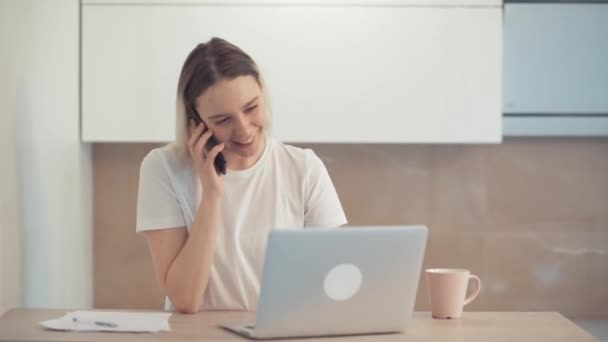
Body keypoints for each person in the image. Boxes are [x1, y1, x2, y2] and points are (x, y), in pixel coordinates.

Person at [136, 37, 347, 314]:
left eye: (251, 108)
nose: (244, 130)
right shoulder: (163, 169)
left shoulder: (304, 168)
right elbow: (185, 299)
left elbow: (334, 283)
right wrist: (212, 195)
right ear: (196, 120)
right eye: (223, 120)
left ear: (262, 89)